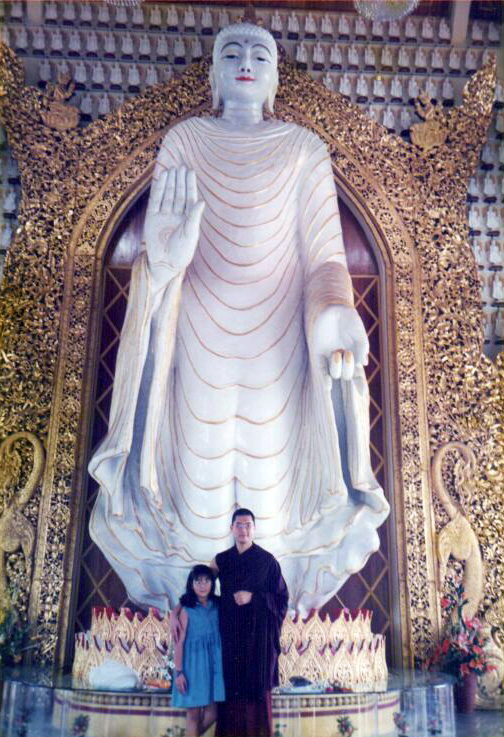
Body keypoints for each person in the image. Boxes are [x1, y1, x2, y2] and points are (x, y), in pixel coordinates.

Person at [89, 21, 389, 616]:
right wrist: (165, 262)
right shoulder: (184, 140)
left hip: (280, 336)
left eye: (260, 54)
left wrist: (335, 315)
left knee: (272, 473)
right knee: (194, 462)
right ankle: (187, 606)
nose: (246, 61)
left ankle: (272, 608)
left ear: (276, 77)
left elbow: (325, 260)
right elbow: (163, 240)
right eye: (231, 52)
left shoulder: (304, 150)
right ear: (213, 75)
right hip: (195, 322)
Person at [173, 509, 288, 737]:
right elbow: (199, 588)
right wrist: (175, 612)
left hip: (257, 642)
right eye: (239, 525)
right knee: (228, 699)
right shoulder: (221, 560)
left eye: (247, 525)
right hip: (228, 639)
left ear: (254, 528)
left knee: (254, 699)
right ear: (231, 528)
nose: (243, 529)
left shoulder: (267, 561)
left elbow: (282, 599)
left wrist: (253, 597)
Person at [172, 565, 225, 737]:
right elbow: (179, 644)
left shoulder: (217, 605)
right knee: (194, 714)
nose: (202, 585)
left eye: (206, 580)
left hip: (213, 666)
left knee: (214, 712)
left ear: (212, 583)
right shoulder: (187, 610)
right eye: (198, 581)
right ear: (191, 584)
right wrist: (179, 672)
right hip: (192, 666)